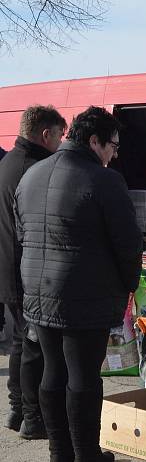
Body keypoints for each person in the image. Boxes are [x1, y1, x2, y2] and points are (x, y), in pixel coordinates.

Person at [15, 106, 142, 462]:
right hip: (84, 294)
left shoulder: (32, 175)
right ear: (94, 141)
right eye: (112, 145)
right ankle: (86, 455)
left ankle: (60, 454)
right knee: (84, 375)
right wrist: (129, 285)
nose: (114, 154)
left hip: (38, 289)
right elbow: (128, 244)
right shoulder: (103, 181)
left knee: (53, 371)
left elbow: (23, 232)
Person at [1, 105, 66, 437]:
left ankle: (16, 410)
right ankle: (32, 415)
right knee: (35, 346)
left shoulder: (7, 162)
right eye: (59, 135)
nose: (60, 143)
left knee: (19, 341)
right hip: (25, 268)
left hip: (7, 265)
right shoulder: (35, 168)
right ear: (45, 134)